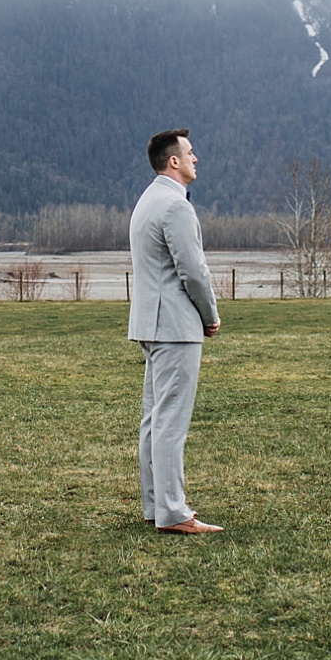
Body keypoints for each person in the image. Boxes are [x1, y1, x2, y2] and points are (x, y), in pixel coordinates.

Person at [128, 128, 223, 534]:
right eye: (190, 152)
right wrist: (210, 315)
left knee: (154, 417)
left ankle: (156, 505)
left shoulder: (148, 200)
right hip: (176, 326)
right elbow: (193, 271)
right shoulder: (176, 207)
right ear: (174, 161)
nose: (195, 158)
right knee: (170, 420)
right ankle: (174, 512)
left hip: (151, 323)